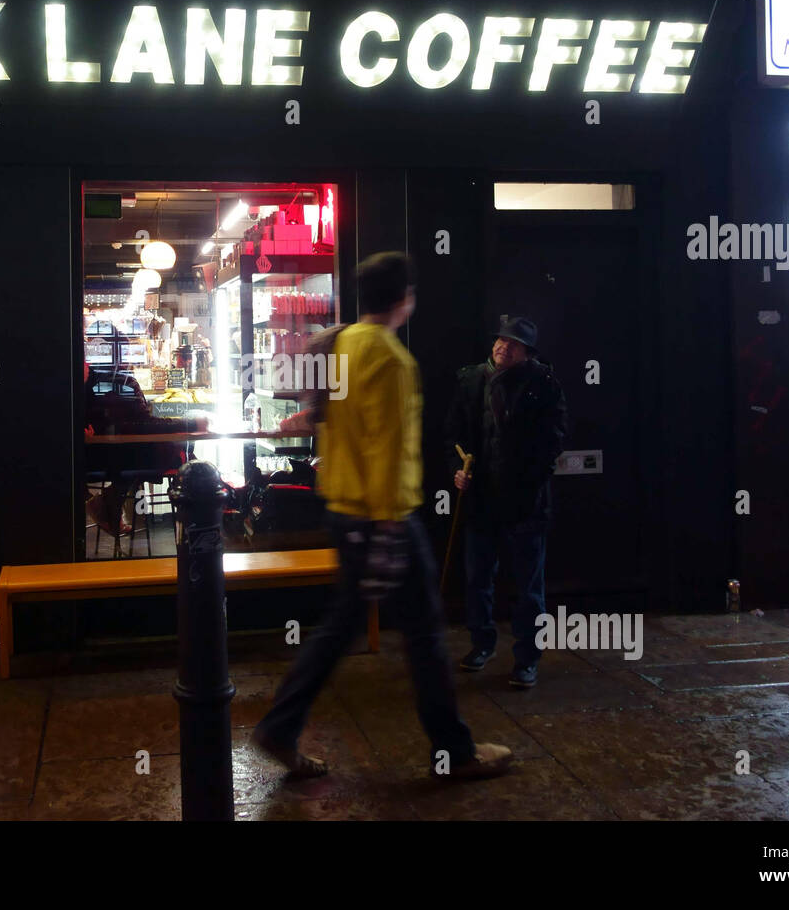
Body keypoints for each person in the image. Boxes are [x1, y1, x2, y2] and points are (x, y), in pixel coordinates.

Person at [253, 251, 515, 781]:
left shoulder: (342, 342)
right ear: (404, 299)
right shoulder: (393, 361)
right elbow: (391, 452)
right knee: (423, 635)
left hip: (343, 510)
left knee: (342, 627)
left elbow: (332, 421)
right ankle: (455, 753)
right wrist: (393, 529)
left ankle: (280, 728)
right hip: (385, 518)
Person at [445, 315, 567, 688]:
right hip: (481, 499)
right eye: (500, 340)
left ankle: (527, 658)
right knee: (478, 578)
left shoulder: (542, 384)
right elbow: (453, 434)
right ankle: (482, 644)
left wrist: (527, 481)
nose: (502, 347)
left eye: (512, 344)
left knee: (529, 587)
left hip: (524, 503)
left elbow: (554, 440)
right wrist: (457, 469)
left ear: (527, 353)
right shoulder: (471, 379)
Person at [83, 359, 204, 537]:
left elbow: (140, 425)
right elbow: (144, 425)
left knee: (166, 450)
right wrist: (190, 425)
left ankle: (109, 502)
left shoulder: (100, 385)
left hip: (102, 456)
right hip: (107, 457)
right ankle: (198, 514)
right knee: (170, 452)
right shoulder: (120, 384)